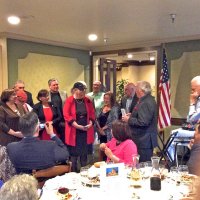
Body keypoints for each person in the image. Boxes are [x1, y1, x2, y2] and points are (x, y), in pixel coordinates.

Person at [122, 81, 158, 162]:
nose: (135, 90)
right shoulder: (146, 99)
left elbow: (143, 122)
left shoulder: (146, 102)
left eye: (136, 88)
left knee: (143, 165)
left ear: (141, 90)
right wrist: (132, 115)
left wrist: (129, 119)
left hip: (144, 140)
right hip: (142, 139)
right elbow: (143, 116)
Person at [63, 82, 95, 172]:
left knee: (84, 156)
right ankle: (73, 174)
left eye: (84, 91)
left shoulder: (87, 100)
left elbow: (92, 113)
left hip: (85, 132)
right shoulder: (69, 100)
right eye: (80, 91)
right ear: (74, 90)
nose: (82, 93)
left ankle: (84, 173)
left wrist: (91, 123)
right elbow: (66, 115)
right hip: (74, 132)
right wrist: (77, 126)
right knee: (74, 157)